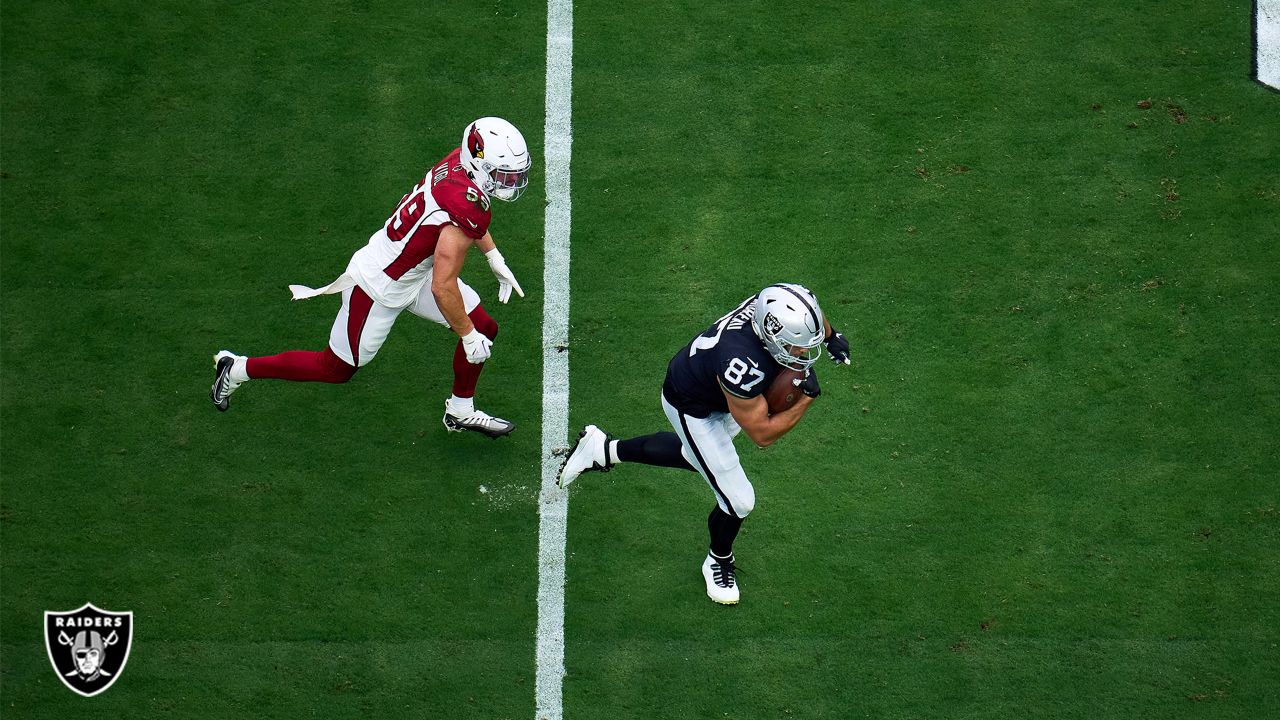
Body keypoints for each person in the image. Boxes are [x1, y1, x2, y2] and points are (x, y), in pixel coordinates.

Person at [210, 117, 531, 438]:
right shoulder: (468, 201)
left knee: (485, 327)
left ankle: (461, 410)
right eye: (503, 174)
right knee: (335, 369)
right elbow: (443, 286)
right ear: (477, 163)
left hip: (413, 268)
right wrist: (467, 336)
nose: (510, 182)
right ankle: (237, 368)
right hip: (380, 286)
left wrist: (492, 256)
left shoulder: (458, 165)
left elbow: (462, 219)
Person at [558, 283, 852, 604]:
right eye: (796, 346)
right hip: (692, 405)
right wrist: (805, 400)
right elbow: (762, 434)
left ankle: (601, 450)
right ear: (771, 334)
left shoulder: (771, 306)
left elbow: (811, 312)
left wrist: (830, 335)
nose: (802, 355)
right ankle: (718, 559)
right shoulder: (741, 364)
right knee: (739, 499)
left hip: (719, 393)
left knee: (695, 457)